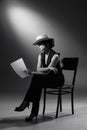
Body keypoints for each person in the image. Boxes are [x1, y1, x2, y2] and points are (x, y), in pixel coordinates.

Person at [14, 34, 65, 121]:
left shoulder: (55, 56)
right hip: (46, 79)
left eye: (40, 44)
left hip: (57, 80)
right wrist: (48, 68)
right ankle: (33, 112)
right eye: (38, 45)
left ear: (47, 44)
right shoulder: (40, 56)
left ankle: (27, 103)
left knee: (36, 79)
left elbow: (46, 72)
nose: (39, 47)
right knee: (37, 83)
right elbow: (39, 69)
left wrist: (32, 72)